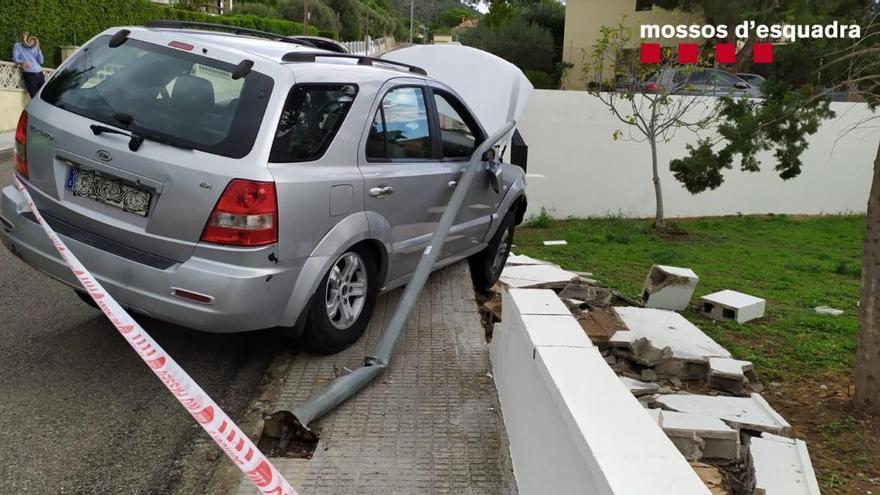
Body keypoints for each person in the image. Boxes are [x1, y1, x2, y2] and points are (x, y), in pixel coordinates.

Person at [12, 32, 45, 98]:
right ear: (26, 39)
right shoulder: (18, 46)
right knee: (34, 96)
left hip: (40, 73)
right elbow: (15, 58)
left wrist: (39, 50)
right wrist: (22, 62)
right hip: (29, 74)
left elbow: (41, 61)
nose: (32, 42)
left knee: (43, 95)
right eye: (30, 40)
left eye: (34, 41)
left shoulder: (35, 48)